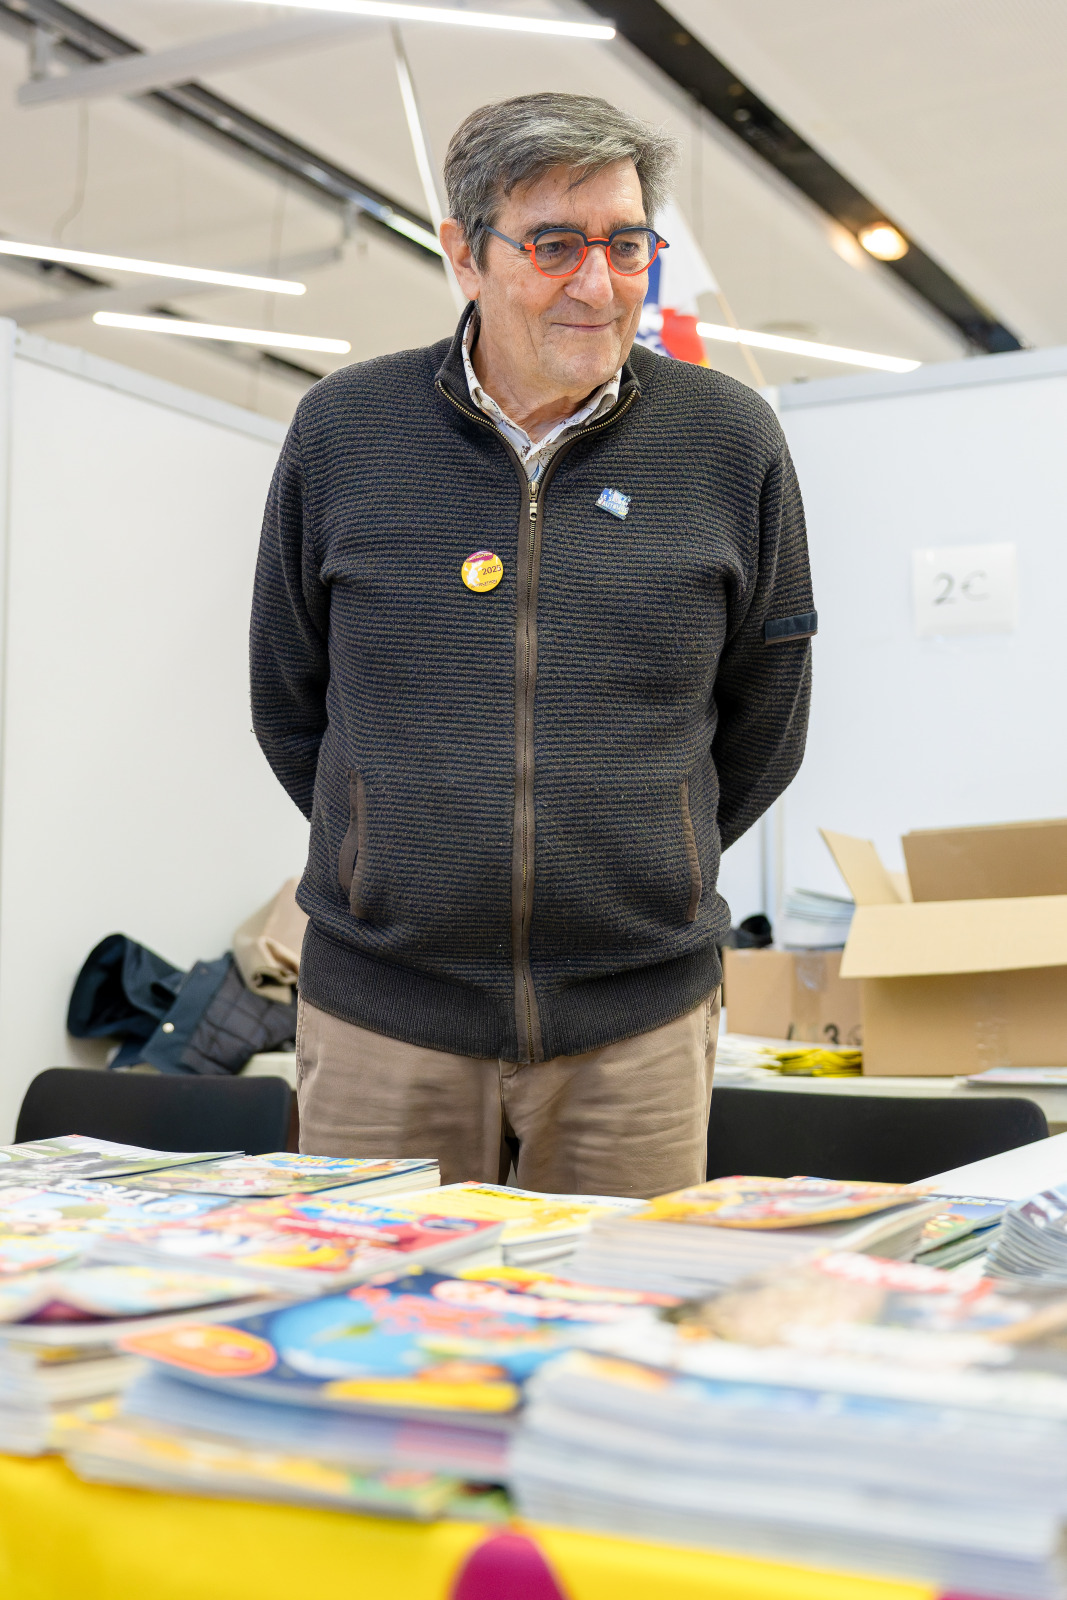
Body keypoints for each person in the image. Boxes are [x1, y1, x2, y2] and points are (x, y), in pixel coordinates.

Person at [250, 92, 816, 1196]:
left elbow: (766, 718)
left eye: (625, 244)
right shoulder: (344, 431)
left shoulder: (727, 439)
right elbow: (289, 696)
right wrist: (393, 851)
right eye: (554, 246)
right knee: (376, 1301)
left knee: (616, 1304)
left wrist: (646, 859)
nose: (597, 285)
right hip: (382, 1015)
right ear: (464, 254)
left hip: (634, 1025)